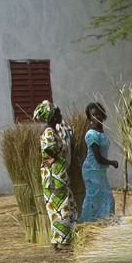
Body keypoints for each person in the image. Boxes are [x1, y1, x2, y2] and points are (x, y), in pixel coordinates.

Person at [34, 101, 75, 249]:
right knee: (61, 209)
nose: (61, 116)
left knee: (61, 208)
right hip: (55, 177)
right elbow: (49, 149)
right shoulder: (49, 132)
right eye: (58, 114)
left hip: (56, 174)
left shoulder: (51, 130)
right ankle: (61, 242)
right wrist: (56, 156)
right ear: (51, 116)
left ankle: (60, 241)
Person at [80, 103, 119, 222]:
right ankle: (87, 223)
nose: (96, 117)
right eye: (93, 115)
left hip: (100, 171)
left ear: (103, 115)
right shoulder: (92, 134)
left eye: (98, 114)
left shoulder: (101, 132)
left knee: (107, 198)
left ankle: (103, 222)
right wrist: (112, 163)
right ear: (89, 118)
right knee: (93, 199)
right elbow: (98, 158)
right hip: (92, 171)